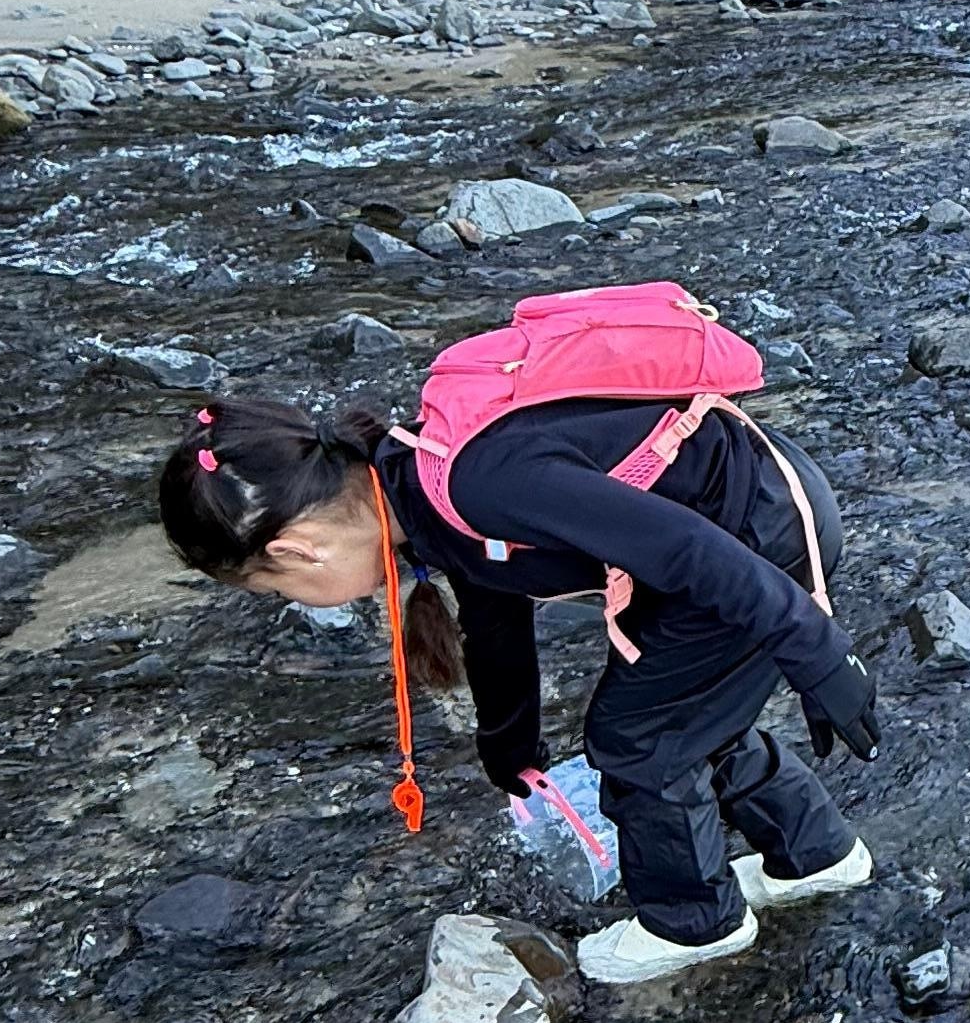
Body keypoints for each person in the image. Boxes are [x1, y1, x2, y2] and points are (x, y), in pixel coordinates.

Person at [155, 382, 880, 984]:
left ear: (297, 550)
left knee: (638, 740)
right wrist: (510, 746)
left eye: (276, 589)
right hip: (723, 529)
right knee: (682, 713)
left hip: (753, 537)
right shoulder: (422, 486)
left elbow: (692, 550)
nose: (295, 602)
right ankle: (816, 856)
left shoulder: (482, 481)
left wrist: (819, 656)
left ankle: (695, 924)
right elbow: (495, 610)